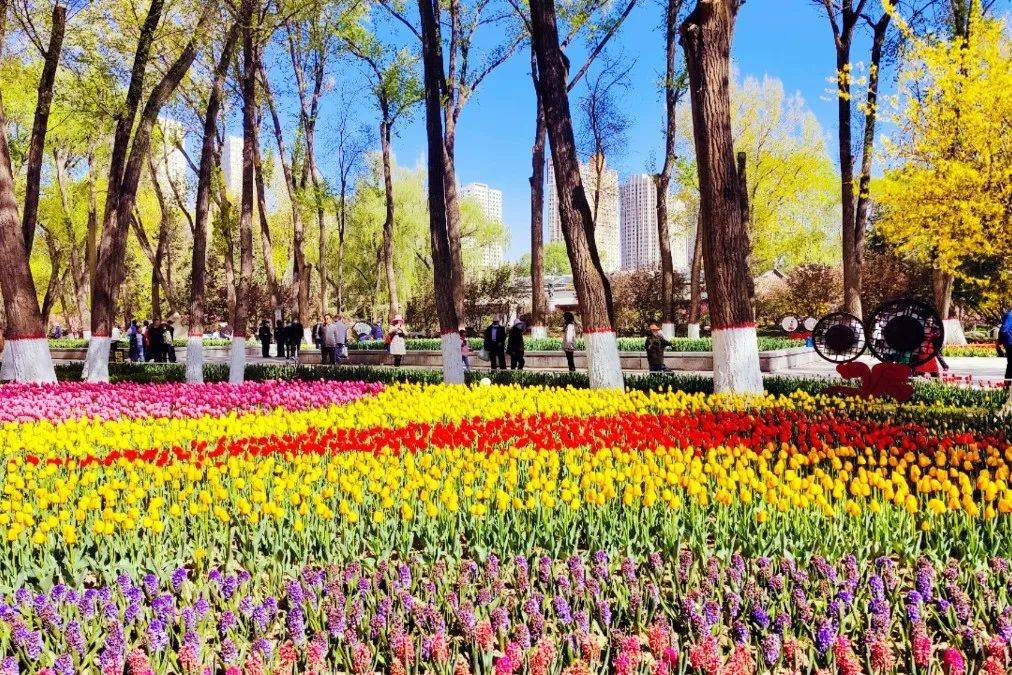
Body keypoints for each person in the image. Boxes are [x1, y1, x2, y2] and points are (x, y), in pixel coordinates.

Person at [998, 308, 1012, 385]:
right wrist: (1001, 342)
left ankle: (1007, 386)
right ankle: (1007, 386)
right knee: (1010, 366)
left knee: (1010, 366)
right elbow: (1004, 330)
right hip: (1011, 344)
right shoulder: (1010, 315)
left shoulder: (1009, 314)